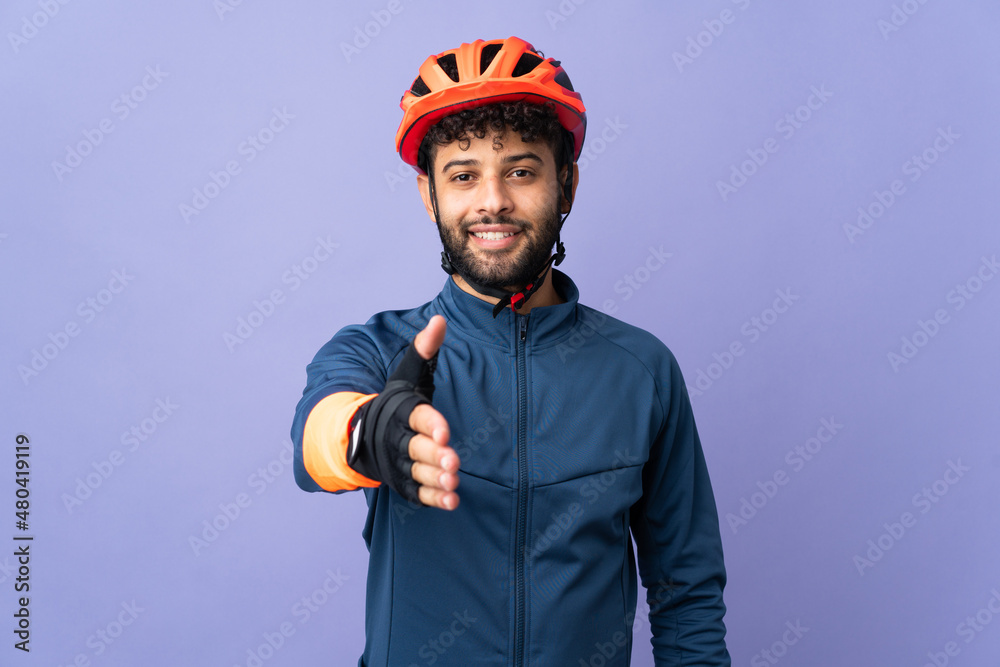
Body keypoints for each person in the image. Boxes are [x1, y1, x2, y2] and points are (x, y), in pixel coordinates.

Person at [291, 36, 731, 666]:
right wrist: (370, 432)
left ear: (566, 185)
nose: (492, 200)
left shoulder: (643, 370)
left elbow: (686, 591)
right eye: (463, 176)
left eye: (521, 172)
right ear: (429, 195)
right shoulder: (378, 349)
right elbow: (314, 445)